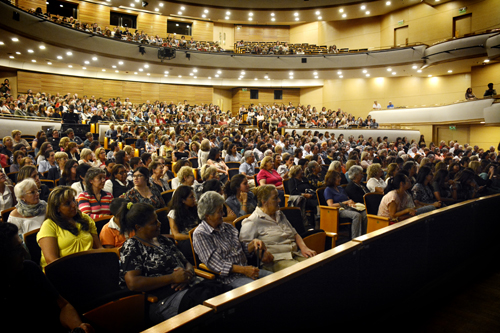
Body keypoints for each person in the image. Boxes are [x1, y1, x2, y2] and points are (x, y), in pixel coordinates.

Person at [0, 223, 95, 333]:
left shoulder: (30, 270)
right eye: (17, 249)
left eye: (22, 246)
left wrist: (78, 327)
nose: (24, 253)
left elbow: (63, 306)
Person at [118, 202, 201, 324]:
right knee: (205, 306)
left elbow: (186, 262)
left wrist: (187, 275)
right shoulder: (132, 246)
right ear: (138, 227)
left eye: (157, 220)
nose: (159, 224)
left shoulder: (163, 240)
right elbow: (133, 283)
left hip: (190, 286)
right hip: (163, 299)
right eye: (153, 223)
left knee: (219, 293)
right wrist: (173, 278)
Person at [193, 191, 273, 288]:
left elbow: (240, 249)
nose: (223, 214)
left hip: (246, 270)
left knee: (276, 279)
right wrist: (244, 270)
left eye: (222, 210)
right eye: (219, 211)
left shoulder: (227, 227)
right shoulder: (201, 234)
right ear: (207, 216)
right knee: (262, 289)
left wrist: (253, 244)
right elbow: (217, 264)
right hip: (228, 280)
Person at [240, 185, 316, 272]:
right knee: (304, 272)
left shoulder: (279, 214)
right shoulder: (252, 221)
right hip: (276, 260)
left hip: (294, 253)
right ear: (264, 202)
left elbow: (295, 234)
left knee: (317, 265)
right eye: (275, 198)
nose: (279, 200)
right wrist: (260, 254)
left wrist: (304, 248)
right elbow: (244, 248)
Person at [37, 186, 103, 271]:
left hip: (88, 267)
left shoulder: (85, 218)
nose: (74, 204)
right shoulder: (49, 225)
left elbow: (98, 248)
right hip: (63, 271)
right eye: (67, 203)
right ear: (57, 209)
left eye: (73, 200)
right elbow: (51, 260)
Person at [324, 170, 367, 239]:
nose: (340, 179)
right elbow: (331, 205)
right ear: (332, 179)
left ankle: (364, 236)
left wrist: (350, 202)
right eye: (338, 178)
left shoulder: (340, 188)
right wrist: (345, 203)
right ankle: (355, 239)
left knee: (365, 213)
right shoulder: (328, 190)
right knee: (357, 215)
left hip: (347, 207)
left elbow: (347, 199)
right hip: (338, 210)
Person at [167, 185, 200, 264]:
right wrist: (192, 237)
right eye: (191, 197)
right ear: (183, 200)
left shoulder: (194, 209)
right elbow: (176, 235)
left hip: (195, 236)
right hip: (184, 240)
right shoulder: (174, 213)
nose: (194, 199)